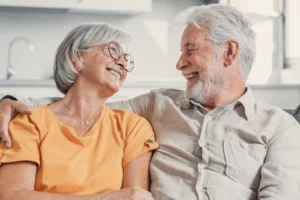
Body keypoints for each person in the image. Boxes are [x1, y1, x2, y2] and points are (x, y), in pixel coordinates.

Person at [1, 4, 300, 200]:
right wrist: (14, 101)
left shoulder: (280, 127)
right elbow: (82, 106)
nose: (179, 64)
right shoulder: (156, 105)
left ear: (229, 53)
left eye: (190, 50)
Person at [0, 23, 158, 200]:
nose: (122, 63)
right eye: (113, 50)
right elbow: (12, 196)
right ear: (77, 57)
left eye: (126, 58)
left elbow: (136, 198)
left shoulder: (133, 128)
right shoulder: (30, 121)